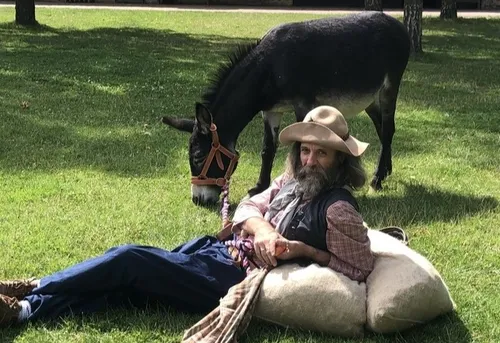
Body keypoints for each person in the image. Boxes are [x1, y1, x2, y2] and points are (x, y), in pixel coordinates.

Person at [0, 105, 374, 328]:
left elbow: (358, 268)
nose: (309, 160)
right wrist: (260, 228)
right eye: (306, 150)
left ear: (341, 159)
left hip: (231, 276)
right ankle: (25, 311)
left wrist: (305, 252)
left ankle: (33, 287)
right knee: (128, 285)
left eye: (321, 154)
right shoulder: (292, 178)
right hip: (219, 249)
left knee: (128, 257)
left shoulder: (337, 209)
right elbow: (248, 207)